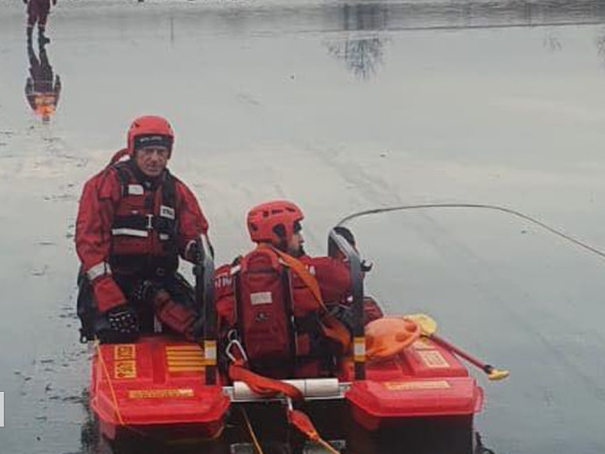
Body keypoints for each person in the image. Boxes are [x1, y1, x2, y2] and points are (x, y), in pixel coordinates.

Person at [75, 115, 209, 343]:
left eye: (160, 152)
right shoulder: (105, 185)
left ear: (169, 154)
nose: (154, 159)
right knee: (118, 330)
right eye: (147, 152)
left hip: (158, 280)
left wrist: (193, 250)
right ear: (134, 151)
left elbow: (193, 233)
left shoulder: (175, 191)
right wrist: (112, 302)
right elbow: (90, 246)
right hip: (113, 280)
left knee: (199, 326)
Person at [215, 200, 382, 380]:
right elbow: (348, 279)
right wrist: (348, 249)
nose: (301, 238)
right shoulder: (311, 271)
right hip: (308, 372)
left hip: (248, 371)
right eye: (296, 231)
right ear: (280, 232)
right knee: (366, 308)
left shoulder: (227, 276)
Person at [25, 39, 61, 123]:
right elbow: (57, 95)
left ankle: (29, 46)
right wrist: (58, 83)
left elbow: (29, 96)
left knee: (34, 62)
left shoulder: (36, 108)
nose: (46, 117)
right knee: (44, 60)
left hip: (38, 81)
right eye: (47, 118)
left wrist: (28, 84)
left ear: (42, 118)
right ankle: (41, 45)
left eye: (45, 118)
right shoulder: (52, 107)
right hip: (48, 79)